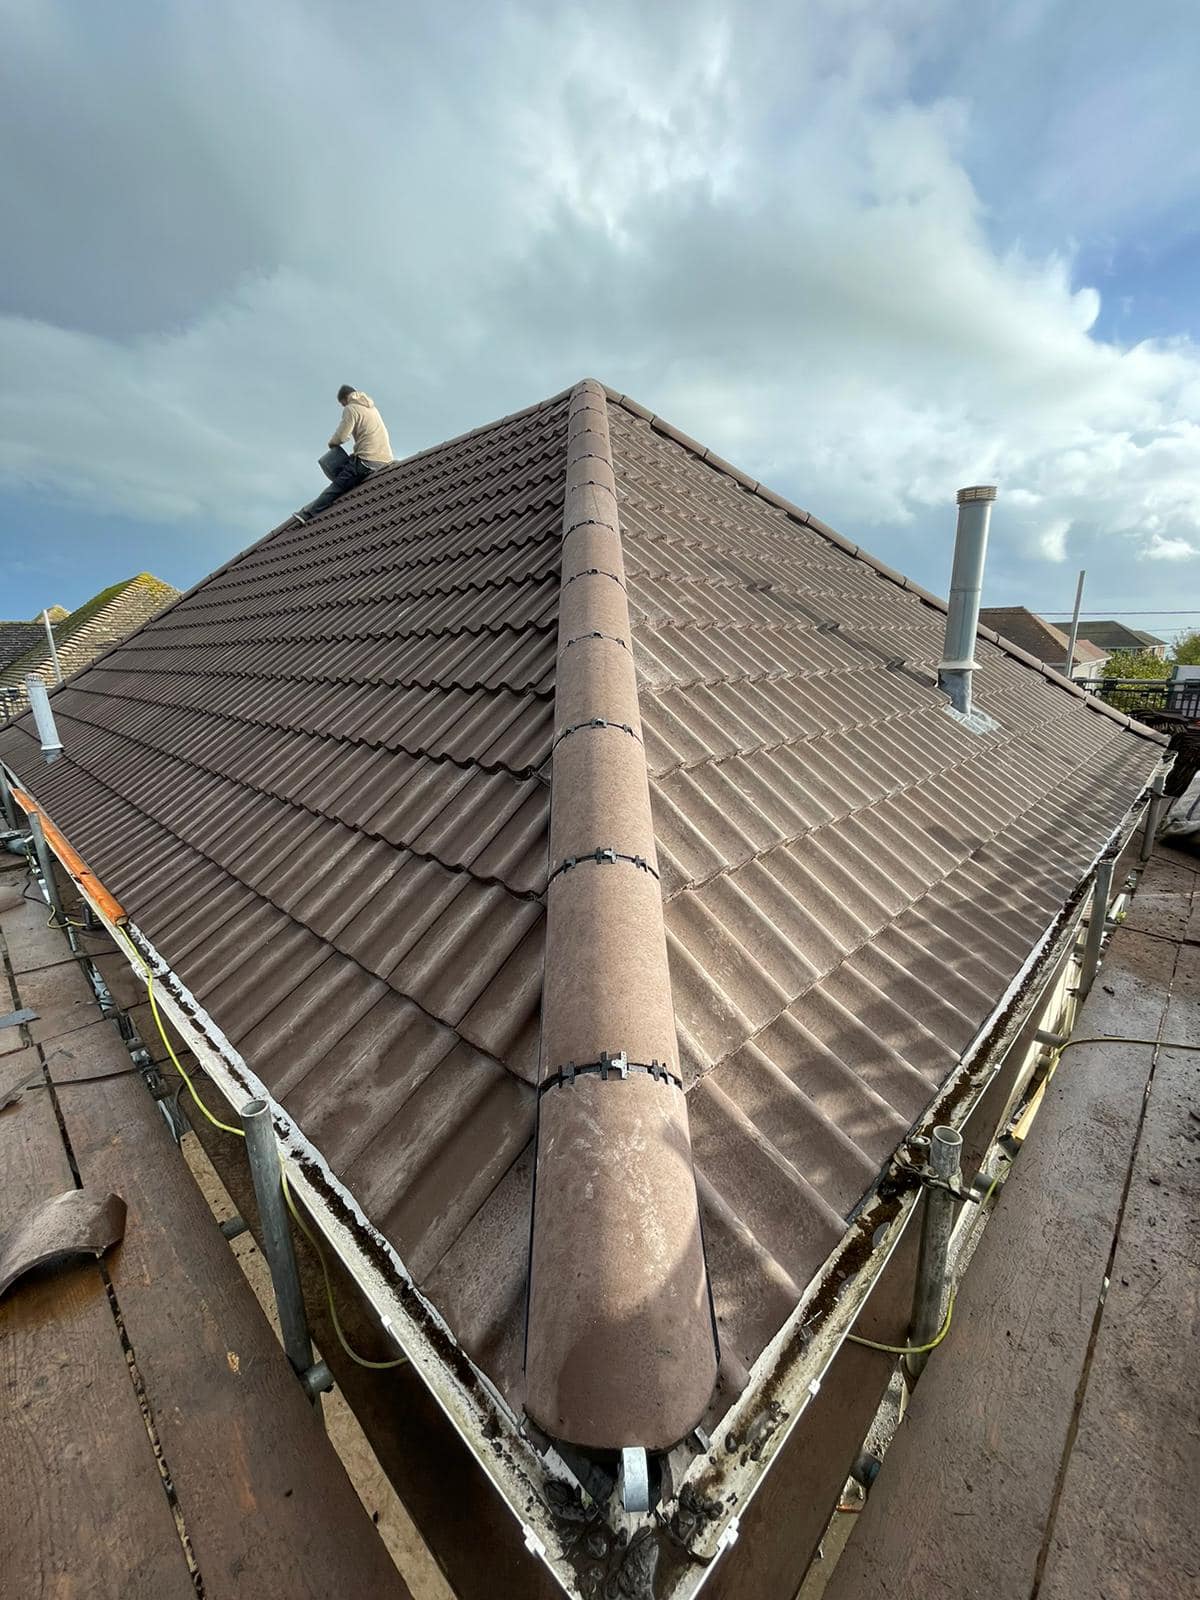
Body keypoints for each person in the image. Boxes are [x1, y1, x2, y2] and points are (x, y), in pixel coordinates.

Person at [292, 386, 392, 522]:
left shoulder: (351, 408)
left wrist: (332, 444)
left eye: (342, 404)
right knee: (350, 463)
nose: (343, 407)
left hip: (367, 460)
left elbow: (342, 436)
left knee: (337, 486)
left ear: (345, 399)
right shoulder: (372, 408)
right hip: (384, 459)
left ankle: (307, 515)